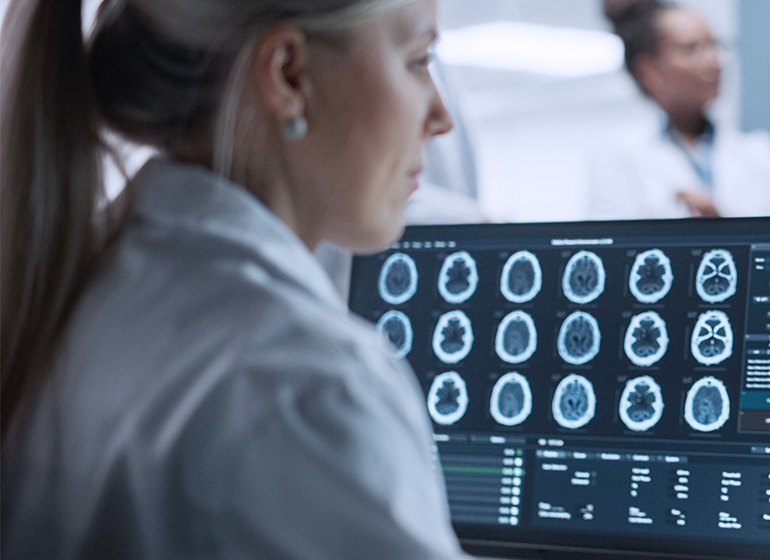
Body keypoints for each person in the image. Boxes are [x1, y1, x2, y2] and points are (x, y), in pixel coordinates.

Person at [0, 0, 471, 558]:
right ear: (289, 74)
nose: (441, 117)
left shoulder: (71, 286)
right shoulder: (306, 386)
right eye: (419, 61)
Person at [588, 0, 770, 219]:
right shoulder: (617, 157)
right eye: (692, 48)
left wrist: (727, 228)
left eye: (715, 45)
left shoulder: (758, 152)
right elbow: (612, 252)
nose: (715, 60)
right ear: (648, 70)